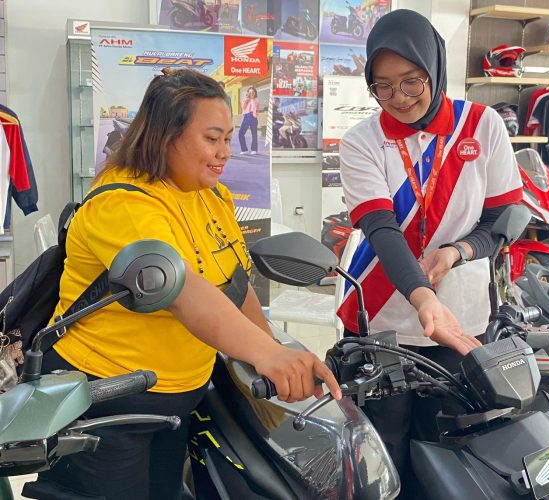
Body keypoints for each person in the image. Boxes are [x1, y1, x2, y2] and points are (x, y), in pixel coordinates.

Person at [36, 68, 341, 500]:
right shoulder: (123, 204)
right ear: (165, 136)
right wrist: (268, 354)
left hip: (178, 401)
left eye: (229, 139)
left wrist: (275, 352)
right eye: (212, 138)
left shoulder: (211, 196)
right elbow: (184, 293)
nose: (224, 153)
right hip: (105, 403)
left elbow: (234, 286)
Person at [337, 9, 522, 498]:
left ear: (435, 68)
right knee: (382, 455)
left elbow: (502, 220)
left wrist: (458, 251)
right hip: (380, 317)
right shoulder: (361, 141)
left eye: (411, 81)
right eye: (383, 86)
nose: (399, 97)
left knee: (451, 450)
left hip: (460, 319)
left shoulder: (481, 125)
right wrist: (422, 297)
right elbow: (380, 228)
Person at [238, 85, 259, 155]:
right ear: (248, 93)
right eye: (250, 92)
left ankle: (254, 149)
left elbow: (256, 109)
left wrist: (255, 115)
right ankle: (244, 149)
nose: (251, 94)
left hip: (253, 117)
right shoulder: (245, 100)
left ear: (255, 93)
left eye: (253, 92)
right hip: (246, 116)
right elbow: (243, 107)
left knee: (254, 134)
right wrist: (247, 99)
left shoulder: (256, 100)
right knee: (241, 133)